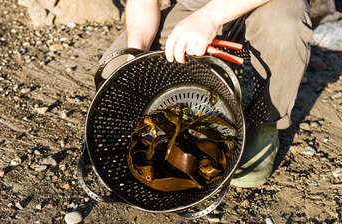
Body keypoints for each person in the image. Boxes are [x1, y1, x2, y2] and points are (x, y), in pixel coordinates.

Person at [99, 0, 313, 187]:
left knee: (287, 22)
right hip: (192, 11)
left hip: (264, 10)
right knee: (114, 72)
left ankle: (264, 124)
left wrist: (209, 18)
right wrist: (135, 59)